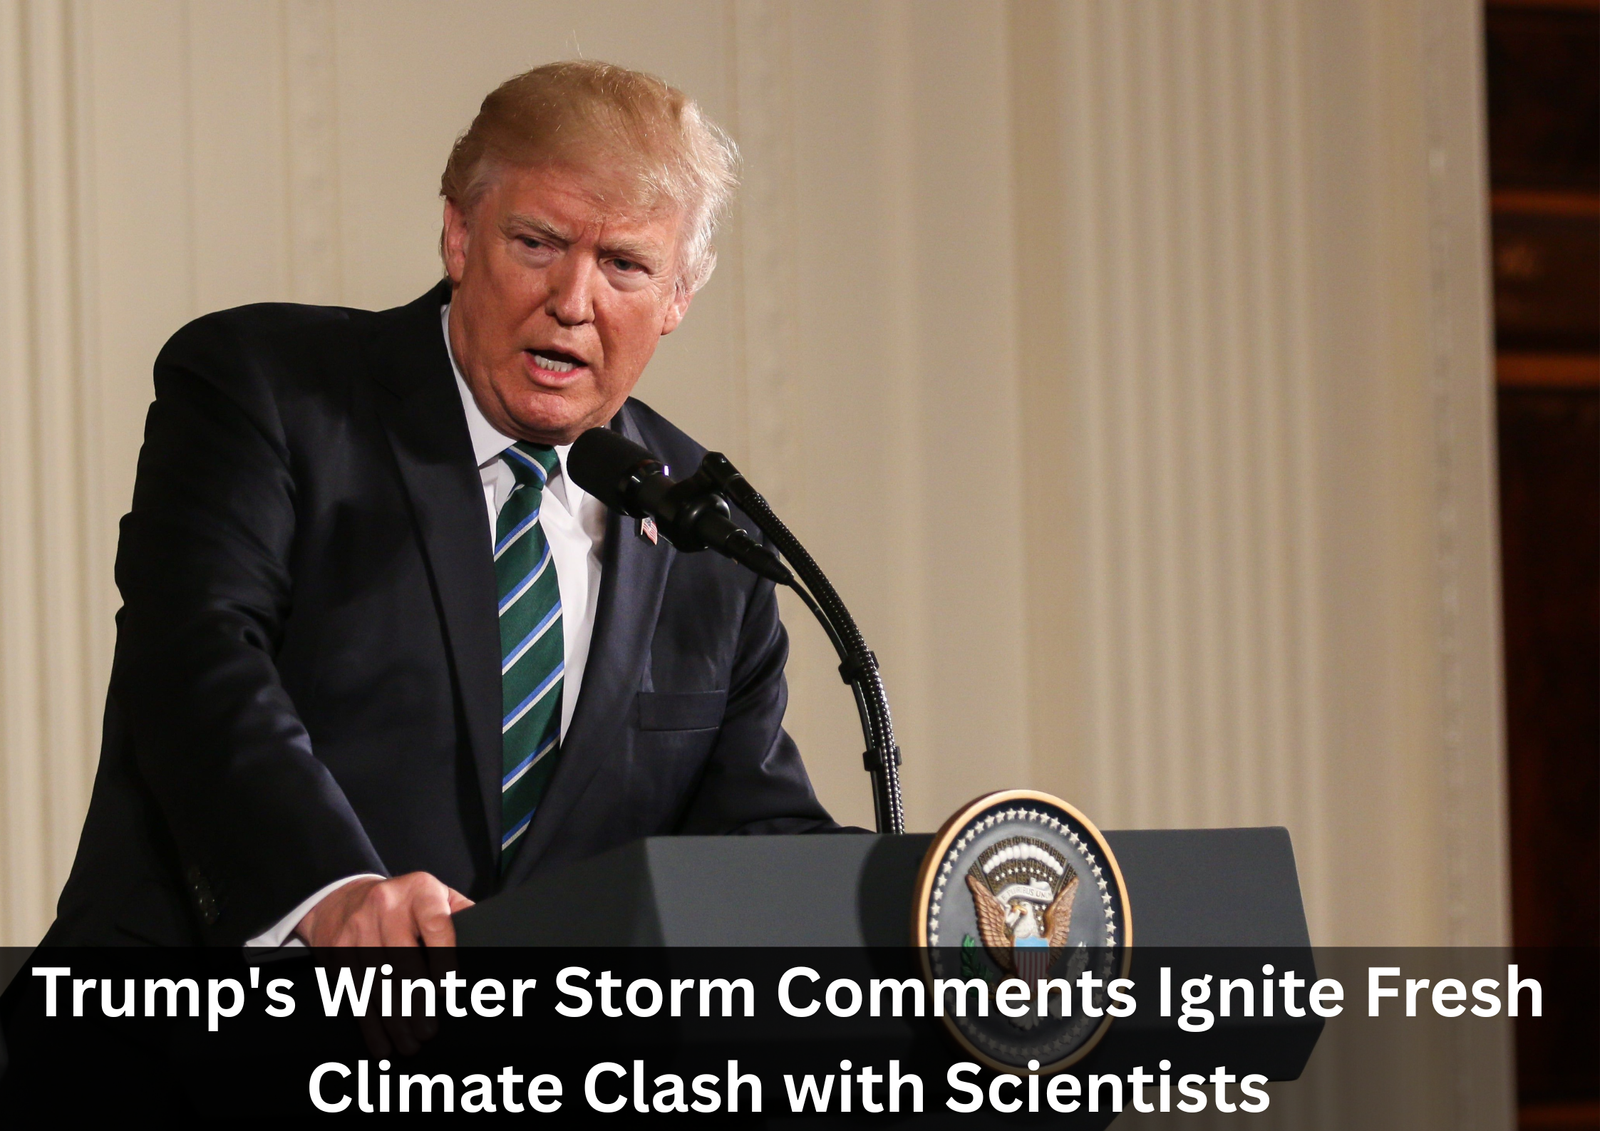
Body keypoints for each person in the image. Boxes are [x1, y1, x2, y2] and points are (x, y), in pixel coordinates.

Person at [42, 61, 837, 952]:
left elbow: (748, 832)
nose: (573, 302)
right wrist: (333, 893)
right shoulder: (267, 392)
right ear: (459, 235)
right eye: (537, 243)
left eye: (623, 264)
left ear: (678, 295)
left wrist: (914, 894)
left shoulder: (702, 529)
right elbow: (196, 663)